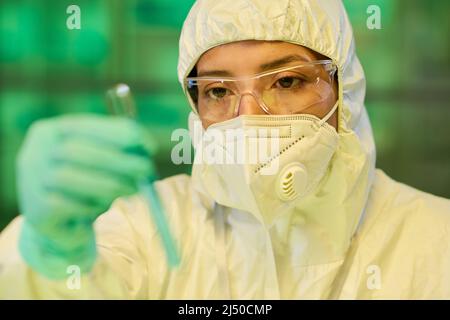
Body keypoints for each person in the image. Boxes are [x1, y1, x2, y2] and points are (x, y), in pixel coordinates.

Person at [1, 0, 450, 299]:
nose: (248, 117)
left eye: (287, 82)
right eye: (218, 90)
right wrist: (49, 254)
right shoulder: (152, 227)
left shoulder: (435, 241)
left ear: (344, 91)